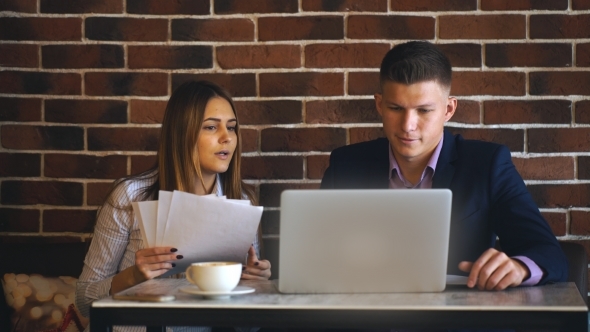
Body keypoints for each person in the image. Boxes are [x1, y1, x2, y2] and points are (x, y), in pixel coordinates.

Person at [321, 41, 567, 291]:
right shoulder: (345, 165)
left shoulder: (487, 165)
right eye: (396, 108)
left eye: (424, 110)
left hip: (456, 322)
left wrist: (519, 267)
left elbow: (549, 254)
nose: (408, 125)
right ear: (379, 105)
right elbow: (315, 253)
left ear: (448, 109)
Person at [76, 80, 271, 331]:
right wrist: (134, 276)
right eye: (211, 127)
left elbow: (249, 325)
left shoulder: (242, 201)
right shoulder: (129, 196)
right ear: (182, 134)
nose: (227, 138)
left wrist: (258, 287)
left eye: (231, 128)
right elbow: (83, 300)